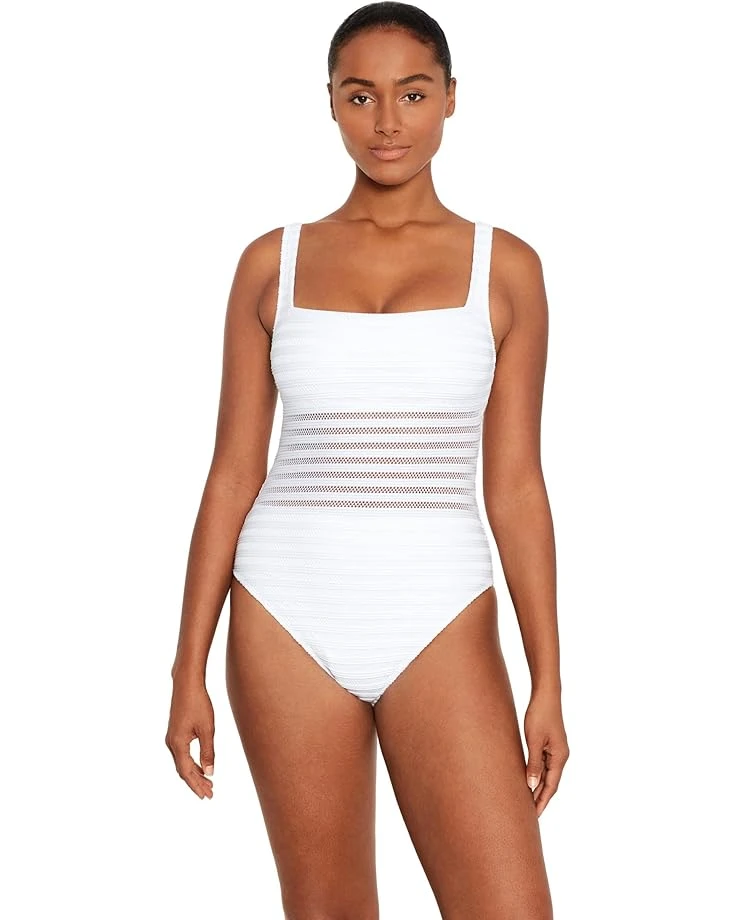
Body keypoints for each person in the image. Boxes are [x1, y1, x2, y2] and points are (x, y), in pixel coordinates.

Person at [166, 2, 569, 916]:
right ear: (331, 103)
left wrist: (547, 678)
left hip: (440, 610)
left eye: (412, 94)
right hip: (284, 608)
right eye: (361, 96)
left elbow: (516, 485)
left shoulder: (505, 268)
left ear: (452, 98)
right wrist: (187, 665)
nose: (387, 121)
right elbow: (233, 472)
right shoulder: (271, 264)